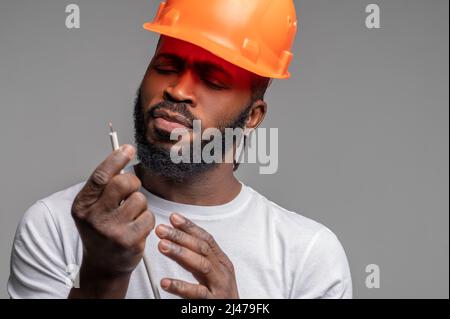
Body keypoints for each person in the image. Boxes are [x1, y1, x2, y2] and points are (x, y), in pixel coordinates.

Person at [8, 0, 352, 299]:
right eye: (166, 67)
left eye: (214, 80)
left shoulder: (309, 254)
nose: (178, 90)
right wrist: (103, 274)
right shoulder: (55, 223)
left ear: (253, 116)